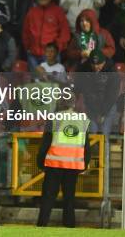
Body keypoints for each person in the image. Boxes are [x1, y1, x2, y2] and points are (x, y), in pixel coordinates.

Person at [36, 94, 91, 228]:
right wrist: (85, 163)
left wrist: (40, 162)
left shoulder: (54, 119)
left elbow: (46, 143)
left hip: (54, 164)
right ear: (73, 104)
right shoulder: (83, 120)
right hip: (73, 164)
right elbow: (86, 145)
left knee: (48, 198)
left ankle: (42, 226)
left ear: (60, 103)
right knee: (69, 198)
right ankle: (69, 227)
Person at [22, 0, 70, 72]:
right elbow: (25, 31)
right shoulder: (32, 12)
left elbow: (65, 32)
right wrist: (28, 47)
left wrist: (57, 48)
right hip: (33, 54)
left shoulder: (58, 11)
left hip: (51, 55)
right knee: (35, 83)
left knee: (52, 83)